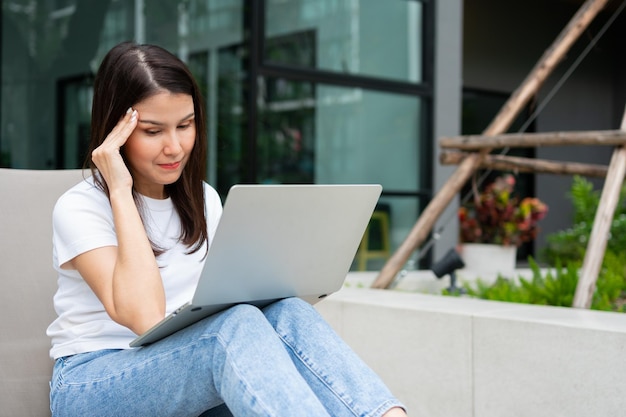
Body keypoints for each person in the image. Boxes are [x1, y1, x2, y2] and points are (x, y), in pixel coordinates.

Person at [47, 41, 407, 417]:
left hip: (191, 365)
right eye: (153, 131)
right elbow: (144, 316)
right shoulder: (80, 206)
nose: (175, 147)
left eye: (185, 126)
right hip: (93, 381)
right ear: (115, 132)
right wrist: (120, 191)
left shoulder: (202, 199)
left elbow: (227, 299)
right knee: (231, 327)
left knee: (286, 310)